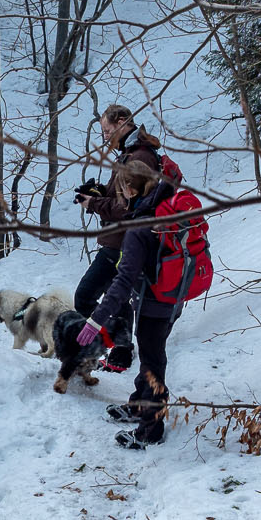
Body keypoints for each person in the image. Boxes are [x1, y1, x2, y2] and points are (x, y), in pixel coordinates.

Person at [76, 160, 212, 450]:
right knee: (153, 354)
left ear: (127, 188)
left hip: (155, 302)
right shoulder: (164, 204)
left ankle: (151, 428)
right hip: (172, 296)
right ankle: (139, 406)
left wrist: (95, 320)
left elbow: (122, 282)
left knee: (152, 362)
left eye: (119, 187)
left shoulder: (139, 229)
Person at [72, 104, 178, 369]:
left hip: (124, 242)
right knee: (117, 297)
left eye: (107, 130)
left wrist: (92, 204)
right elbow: (121, 194)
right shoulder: (130, 153)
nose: (105, 137)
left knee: (85, 296)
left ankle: (112, 346)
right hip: (119, 240)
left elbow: (127, 207)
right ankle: (121, 349)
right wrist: (98, 192)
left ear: (122, 121)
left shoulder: (139, 157)